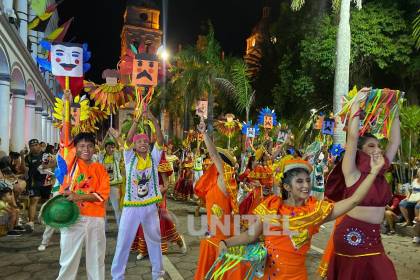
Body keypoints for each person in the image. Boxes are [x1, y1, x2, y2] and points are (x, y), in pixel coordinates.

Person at [218, 154, 386, 280]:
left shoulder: (314, 212)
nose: (306, 186)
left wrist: (374, 171)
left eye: (307, 181)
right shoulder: (272, 208)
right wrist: (225, 242)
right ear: (287, 186)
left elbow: (354, 200)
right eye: (299, 182)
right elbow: (250, 235)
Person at [323, 88, 400, 279]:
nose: (377, 149)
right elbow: (352, 137)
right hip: (352, 233)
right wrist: (357, 102)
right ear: (361, 151)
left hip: (374, 236)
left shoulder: (381, 172)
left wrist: (393, 106)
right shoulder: (352, 171)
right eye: (371, 146)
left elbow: (394, 142)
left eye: (378, 146)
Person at [56, 90, 110, 280]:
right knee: (68, 261)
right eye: (82, 146)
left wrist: (78, 196)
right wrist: (66, 106)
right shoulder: (70, 162)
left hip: (96, 219)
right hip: (72, 218)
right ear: (75, 149)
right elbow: (65, 133)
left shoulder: (100, 169)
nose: (86, 149)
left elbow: (102, 196)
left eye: (89, 146)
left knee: (96, 261)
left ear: (94, 148)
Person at [111, 108, 165, 280]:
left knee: (154, 241)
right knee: (123, 242)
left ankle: (158, 274)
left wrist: (154, 120)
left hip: (150, 206)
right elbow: (126, 139)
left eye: (145, 141)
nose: (143, 143)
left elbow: (161, 141)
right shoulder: (129, 158)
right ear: (134, 145)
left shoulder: (154, 157)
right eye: (139, 141)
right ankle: (117, 276)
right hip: (131, 207)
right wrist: (136, 120)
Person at [194, 119, 246, 280]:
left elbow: (214, 154)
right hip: (214, 235)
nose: (211, 161)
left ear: (223, 164)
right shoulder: (214, 181)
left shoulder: (224, 179)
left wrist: (204, 134)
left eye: (216, 160)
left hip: (223, 239)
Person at [133, 152, 187, 260]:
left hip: (159, 195)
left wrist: (156, 196)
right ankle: (144, 250)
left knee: (164, 221)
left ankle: (179, 240)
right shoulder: (142, 162)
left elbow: (166, 185)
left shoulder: (160, 163)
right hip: (145, 195)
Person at [25, 138, 53, 232]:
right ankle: (31, 223)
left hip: (46, 182)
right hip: (33, 182)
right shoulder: (28, 157)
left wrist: (47, 166)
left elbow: (53, 164)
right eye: (31, 146)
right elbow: (24, 169)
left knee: (47, 201)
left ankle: (46, 218)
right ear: (29, 147)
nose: (34, 147)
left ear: (39, 146)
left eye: (36, 145)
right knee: (34, 200)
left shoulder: (46, 155)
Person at [98, 138, 123, 226]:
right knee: (103, 208)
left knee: (117, 208)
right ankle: (104, 227)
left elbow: (118, 146)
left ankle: (120, 227)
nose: (111, 149)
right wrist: (105, 138)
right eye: (108, 147)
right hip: (103, 186)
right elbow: (101, 148)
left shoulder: (116, 156)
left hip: (114, 186)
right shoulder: (101, 157)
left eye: (112, 147)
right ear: (105, 148)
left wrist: (113, 136)